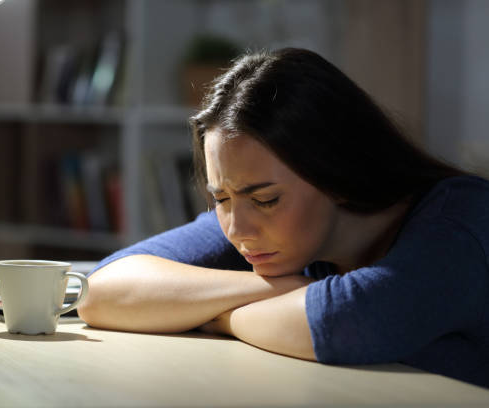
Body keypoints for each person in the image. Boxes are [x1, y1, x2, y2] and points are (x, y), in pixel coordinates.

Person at [78, 48, 489, 388]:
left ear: (339, 174)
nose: (237, 229)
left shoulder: (463, 221)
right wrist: (291, 292)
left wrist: (217, 317)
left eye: (267, 200)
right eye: (220, 198)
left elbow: (350, 322)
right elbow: (101, 290)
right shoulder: (266, 228)